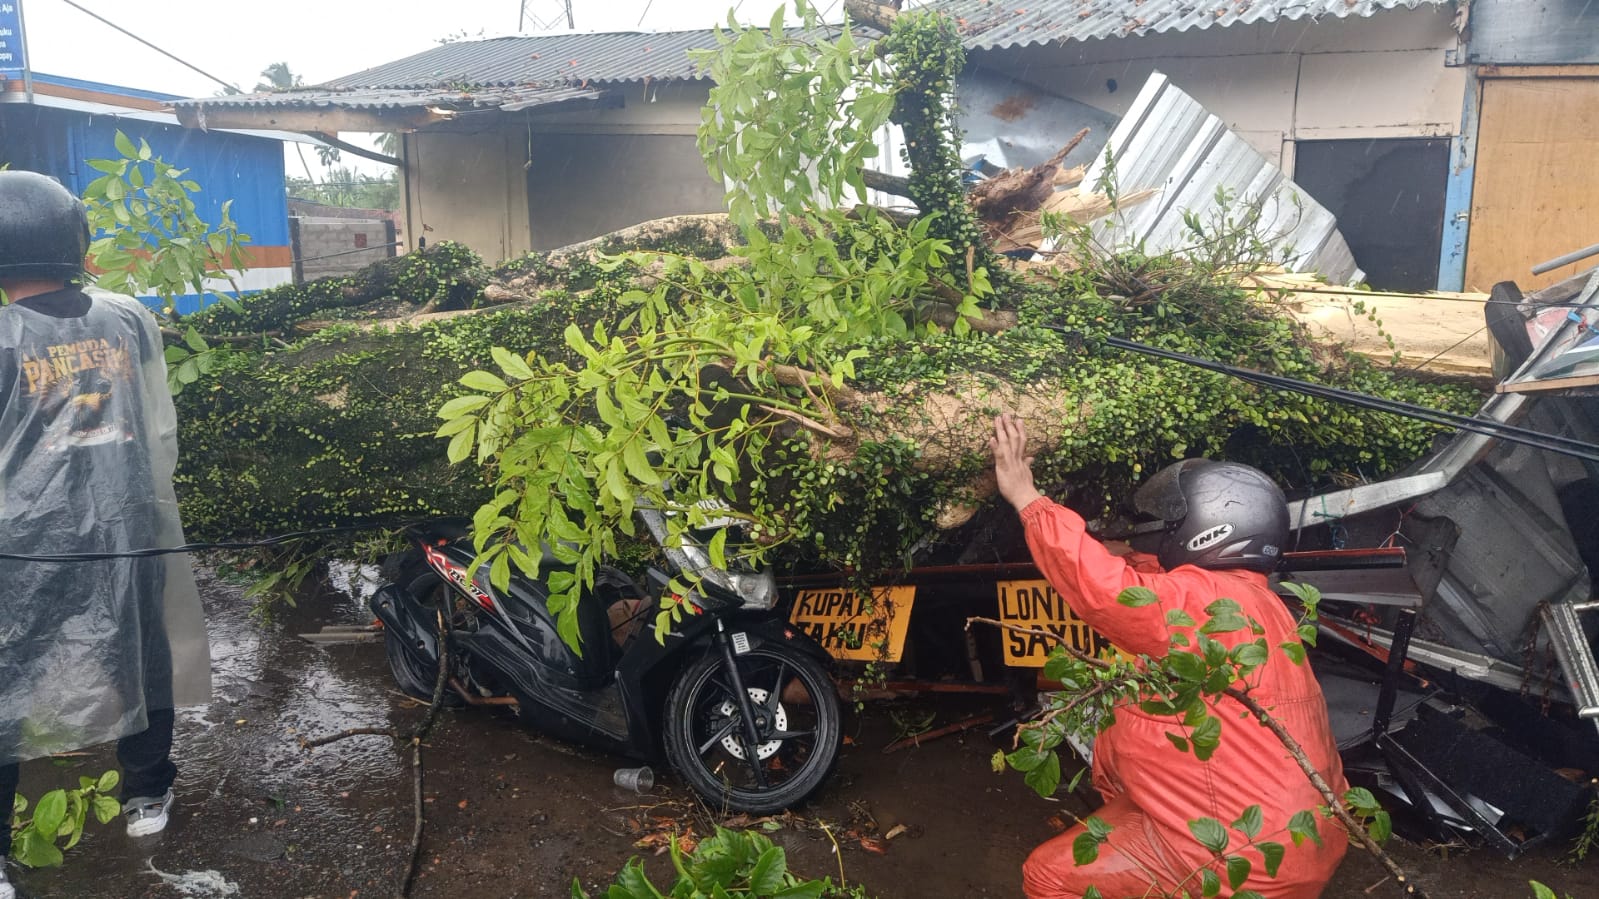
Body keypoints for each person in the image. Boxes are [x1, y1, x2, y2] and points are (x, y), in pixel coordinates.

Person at [990, 413, 1347, 899]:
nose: (1146, 539)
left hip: (1240, 855)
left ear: (1205, 529)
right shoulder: (1259, 605)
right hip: (1293, 837)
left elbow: (1109, 592)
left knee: (1049, 875)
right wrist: (1112, 543)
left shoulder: (1205, 602)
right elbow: (1143, 575)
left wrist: (1028, 499)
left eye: (1160, 528)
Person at [0, 171, 212, 897]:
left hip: (22, 546)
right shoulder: (129, 318)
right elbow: (158, 427)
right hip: (127, 524)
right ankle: (146, 794)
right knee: (140, 654)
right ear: (76, 244)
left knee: (7, 678)